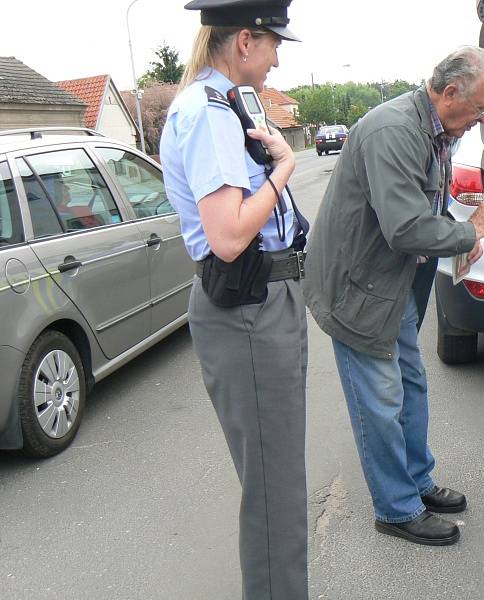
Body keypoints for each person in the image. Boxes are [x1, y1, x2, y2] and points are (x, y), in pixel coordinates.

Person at [303, 46, 484, 546]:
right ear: (450, 91)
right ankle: (395, 509)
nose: (483, 119)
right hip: (359, 290)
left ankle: (416, 482)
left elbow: (423, 208)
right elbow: (405, 228)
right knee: (380, 399)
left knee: (410, 385)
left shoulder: (435, 129)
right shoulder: (393, 130)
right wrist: (472, 230)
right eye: (481, 108)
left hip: (392, 285)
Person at [159, 1, 309, 598]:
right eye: (274, 43)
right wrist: (285, 167)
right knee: (276, 496)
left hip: (263, 303)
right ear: (245, 41)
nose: (276, 59)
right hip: (250, 307)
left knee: (278, 485)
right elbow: (227, 237)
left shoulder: (224, 104)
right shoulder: (209, 112)